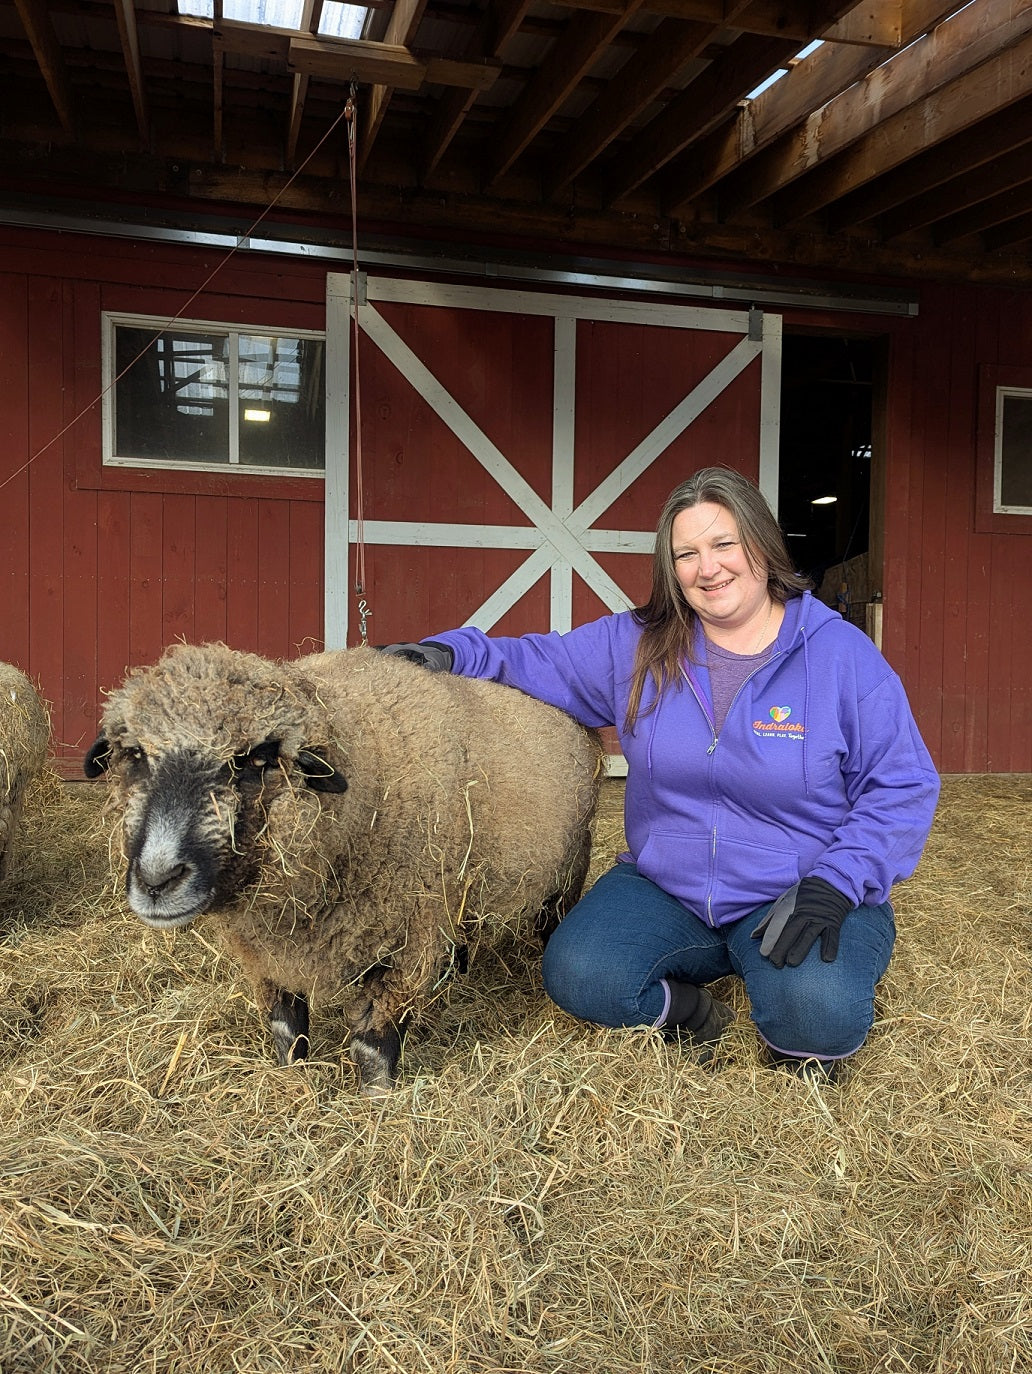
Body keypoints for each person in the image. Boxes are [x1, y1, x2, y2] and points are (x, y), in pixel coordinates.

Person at [381, 467, 940, 1076]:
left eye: (725, 544)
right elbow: (533, 658)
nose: (709, 568)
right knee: (581, 972)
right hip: (671, 884)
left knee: (813, 1017)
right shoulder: (639, 645)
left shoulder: (838, 655)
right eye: (687, 554)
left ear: (761, 543)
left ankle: (793, 988)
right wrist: (447, 653)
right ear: (671, 568)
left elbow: (902, 783)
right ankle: (689, 1010)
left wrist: (838, 881)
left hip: (798, 888)